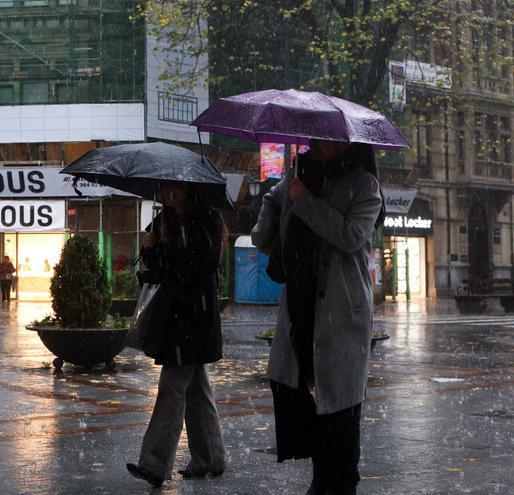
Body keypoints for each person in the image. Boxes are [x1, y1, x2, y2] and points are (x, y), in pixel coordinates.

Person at [251, 141, 384, 495]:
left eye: (329, 139)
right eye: (317, 138)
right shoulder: (299, 173)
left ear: (347, 143)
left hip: (341, 309)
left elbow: (351, 236)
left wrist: (306, 201)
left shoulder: (364, 184)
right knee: (299, 393)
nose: (320, 144)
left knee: (340, 404)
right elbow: (267, 218)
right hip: (301, 303)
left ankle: (340, 480)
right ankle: (322, 476)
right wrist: (276, 210)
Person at [126, 181, 227, 488]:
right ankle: (210, 458)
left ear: (190, 190)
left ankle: (154, 464)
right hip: (175, 320)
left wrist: (160, 249)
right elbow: (160, 271)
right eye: (165, 189)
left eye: (176, 189)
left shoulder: (206, 222)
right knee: (196, 390)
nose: (169, 195)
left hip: (194, 319)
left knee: (172, 388)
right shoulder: (164, 221)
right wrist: (148, 249)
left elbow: (196, 265)